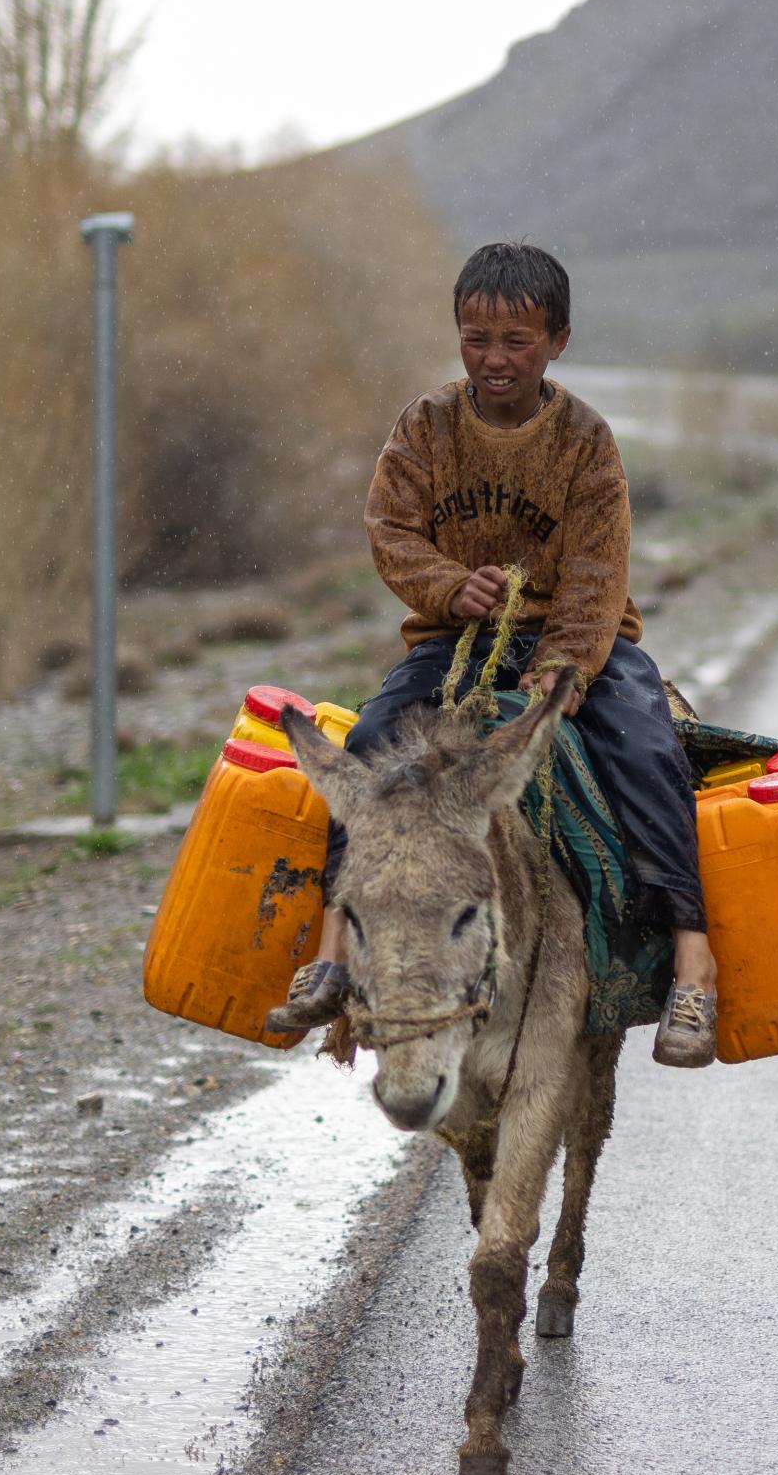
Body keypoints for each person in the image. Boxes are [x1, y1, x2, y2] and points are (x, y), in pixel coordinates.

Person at [265, 242, 717, 1067]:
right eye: (477, 339)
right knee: (368, 752)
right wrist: (444, 586)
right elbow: (391, 530)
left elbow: (597, 567)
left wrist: (569, 662)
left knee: (649, 753)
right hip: (455, 643)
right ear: (458, 336)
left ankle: (692, 960)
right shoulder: (426, 426)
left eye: (517, 341)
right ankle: (331, 950)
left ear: (559, 341)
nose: (495, 359)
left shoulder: (585, 439)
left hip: (581, 642)